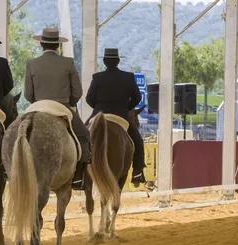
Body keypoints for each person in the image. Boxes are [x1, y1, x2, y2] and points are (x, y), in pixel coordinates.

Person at [24, 28, 91, 191]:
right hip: (62, 107)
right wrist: (70, 103)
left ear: (41, 44)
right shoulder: (68, 63)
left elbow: (28, 94)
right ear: (58, 46)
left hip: (37, 107)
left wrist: (39, 103)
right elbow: (78, 92)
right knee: (84, 136)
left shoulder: (32, 64)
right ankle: (78, 178)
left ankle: (10, 172)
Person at [86, 48, 146, 186]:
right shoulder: (128, 77)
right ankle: (137, 172)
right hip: (121, 114)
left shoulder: (97, 77)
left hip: (98, 115)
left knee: (81, 137)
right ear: (118, 61)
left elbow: (89, 99)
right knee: (137, 141)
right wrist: (126, 107)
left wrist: (98, 108)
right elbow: (138, 97)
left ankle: (79, 174)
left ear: (104, 61)